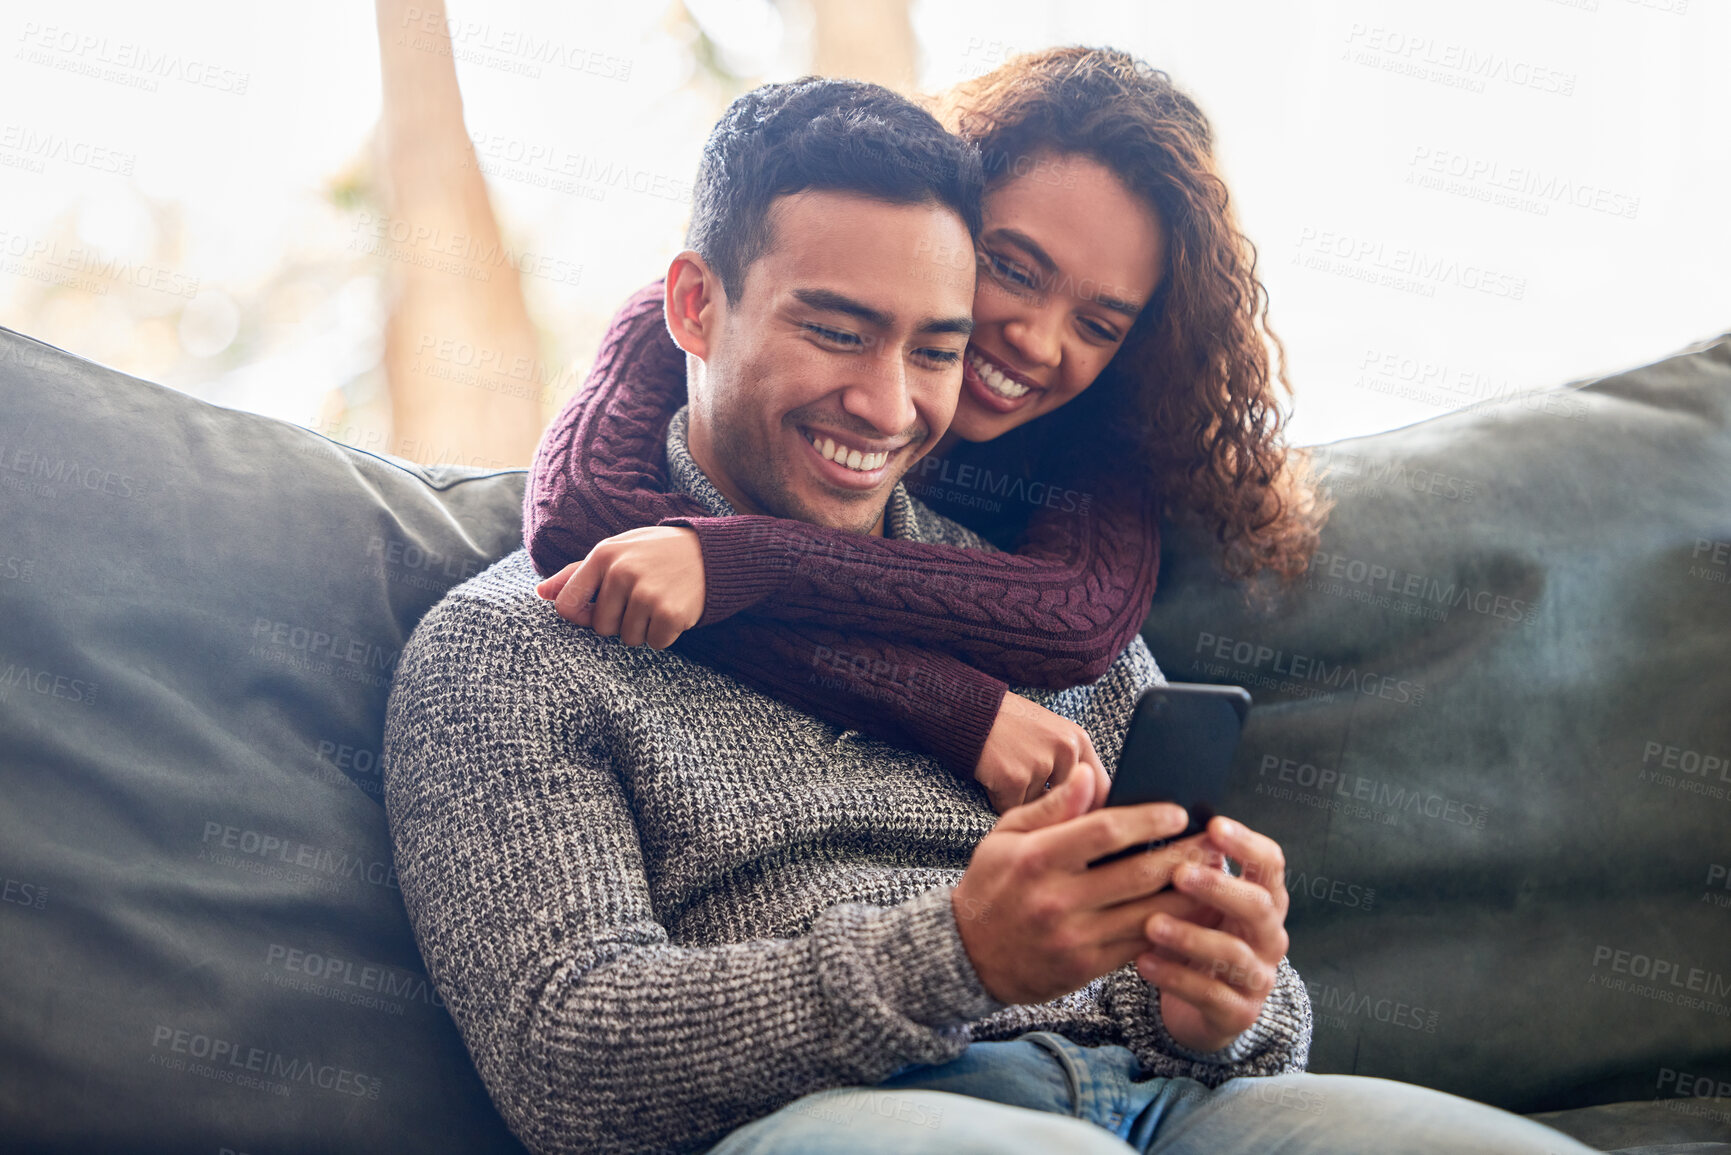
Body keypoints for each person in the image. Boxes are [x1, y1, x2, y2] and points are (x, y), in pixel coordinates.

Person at [384, 75, 1596, 1155]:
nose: (887, 406)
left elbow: (1263, 1036)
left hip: (1175, 1107)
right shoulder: (512, 647)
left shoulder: (1048, 620)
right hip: (861, 1110)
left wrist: (1225, 997)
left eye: (936, 352)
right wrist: (955, 957)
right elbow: (566, 1064)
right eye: (837, 332)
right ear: (695, 308)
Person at [524, 47, 1327, 815]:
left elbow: (1074, 624)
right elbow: (583, 519)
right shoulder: (703, 318)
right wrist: (954, 709)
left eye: (1097, 324)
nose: (1036, 340)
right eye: (1012, 269)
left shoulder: (1102, 437)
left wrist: (736, 561)